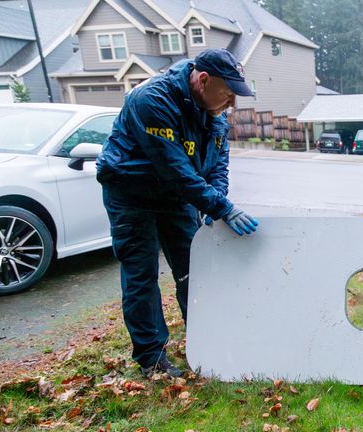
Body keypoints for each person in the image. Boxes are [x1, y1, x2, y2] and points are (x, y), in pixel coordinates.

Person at [97, 48, 259, 378]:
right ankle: (151, 357)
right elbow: (175, 168)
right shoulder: (152, 99)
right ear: (203, 80)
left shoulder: (215, 114)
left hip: (176, 195)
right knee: (141, 274)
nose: (232, 105)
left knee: (194, 271)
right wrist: (221, 207)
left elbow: (217, 165)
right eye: (227, 94)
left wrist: (217, 201)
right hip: (132, 192)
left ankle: (206, 341)